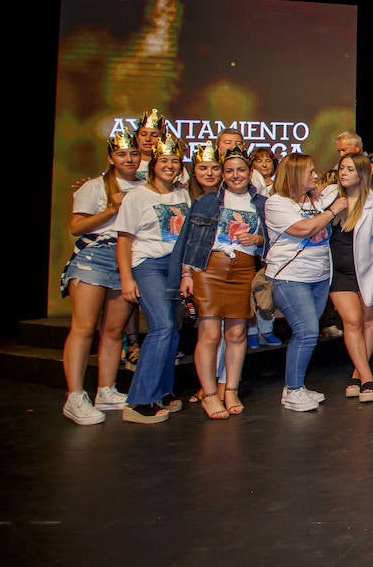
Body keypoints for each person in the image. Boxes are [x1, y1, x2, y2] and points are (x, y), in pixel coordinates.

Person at [58, 130, 143, 424]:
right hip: (94, 257)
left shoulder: (145, 186)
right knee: (83, 328)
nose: (129, 159)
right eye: (121, 154)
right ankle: (75, 396)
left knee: (112, 330)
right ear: (110, 157)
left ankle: (106, 390)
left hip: (127, 258)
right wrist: (111, 208)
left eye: (133, 154)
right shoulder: (95, 187)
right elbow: (76, 226)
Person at [176, 145, 266, 419]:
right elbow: (190, 240)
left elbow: (273, 242)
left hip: (243, 271)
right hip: (210, 270)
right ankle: (210, 393)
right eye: (229, 171)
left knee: (237, 334)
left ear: (250, 172)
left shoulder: (261, 204)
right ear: (223, 175)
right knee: (210, 334)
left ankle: (231, 389)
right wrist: (186, 274)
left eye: (241, 170)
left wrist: (258, 240)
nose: (236, 175)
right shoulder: (207, 201)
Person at [115, 134, 191, 424]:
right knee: (162, 326)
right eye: (164, 161)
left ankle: (163, 391)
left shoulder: (182, 195)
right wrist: (126, 278)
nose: (169, 166)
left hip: (175, 267)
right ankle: (138, 400)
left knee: (172, 331)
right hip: (148, 265)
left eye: (174, 161)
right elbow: (124, 239)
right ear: (153, 165)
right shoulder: (137, 196)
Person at [266, 152, 346, 412]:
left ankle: (297, 386)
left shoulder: (315, 200)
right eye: (310, 171)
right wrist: (333, 210)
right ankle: (293, 390)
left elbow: (338, 189)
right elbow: (302, 229)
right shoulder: (277, 203)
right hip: (291, 278)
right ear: (295, 175)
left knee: (309, 332)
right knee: (307, 331)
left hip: (319, 277)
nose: (315, 175)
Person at [325, 151, 373, 403]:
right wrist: (332, 210)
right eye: (342, 168)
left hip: (366, 271)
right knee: (351, 320)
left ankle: (356, 372)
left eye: (350, 169)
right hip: (337, 273)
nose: (343, 173)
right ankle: (367, 376)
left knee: (368, 321)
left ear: (362, 173)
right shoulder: (330, 197)